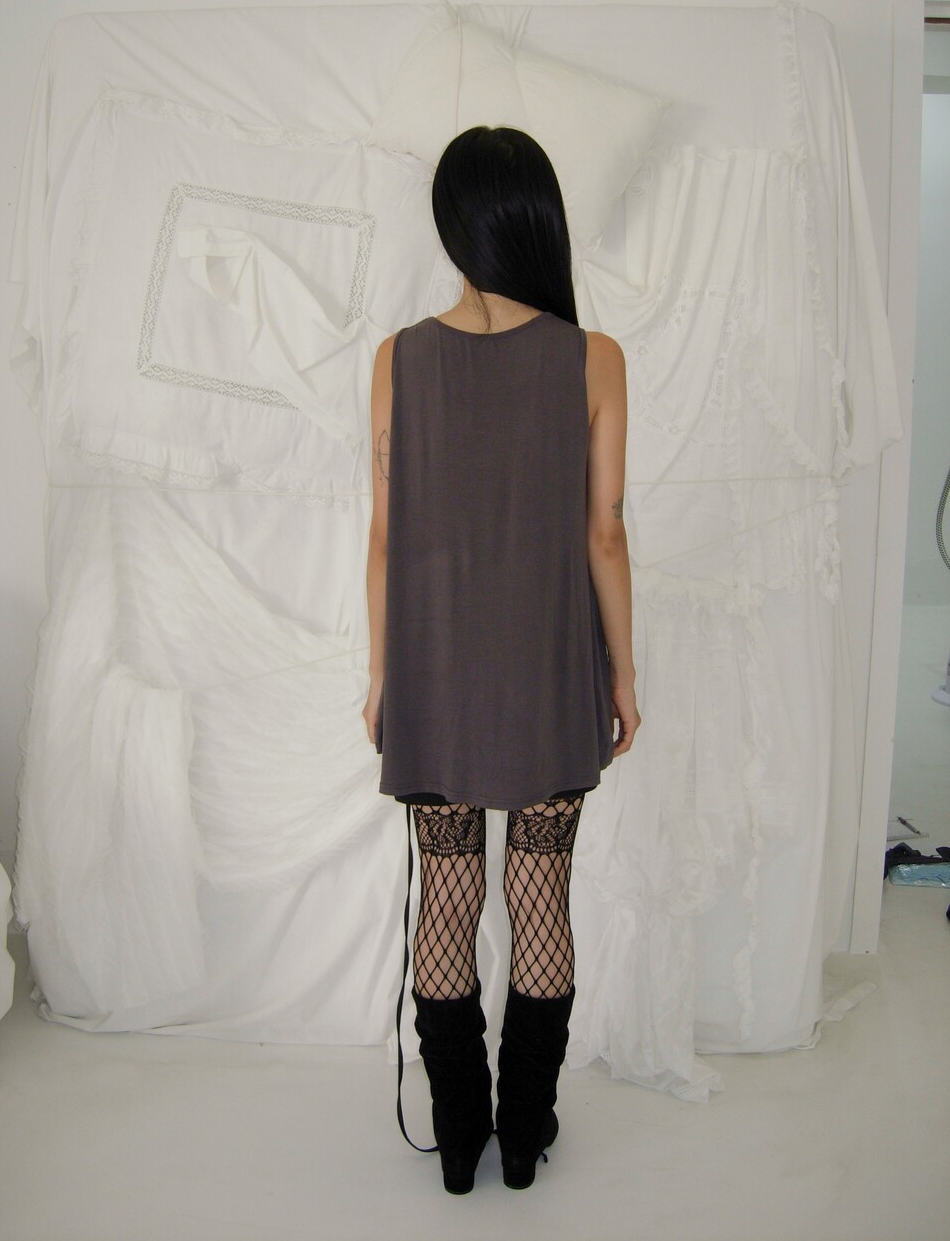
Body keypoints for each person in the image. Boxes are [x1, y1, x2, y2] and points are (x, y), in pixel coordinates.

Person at [361, 125, 640, 1194]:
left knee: (445, 901)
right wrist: (622, 675)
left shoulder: (397, 358)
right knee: (540, 898)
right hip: (549, 672)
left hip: (433, 671)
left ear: (454, 225)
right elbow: (604, 532)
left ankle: (458, 1138)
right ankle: (523, 1132)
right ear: (537, 220)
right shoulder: (593, 357)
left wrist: (382, 678)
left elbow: (385, 535)